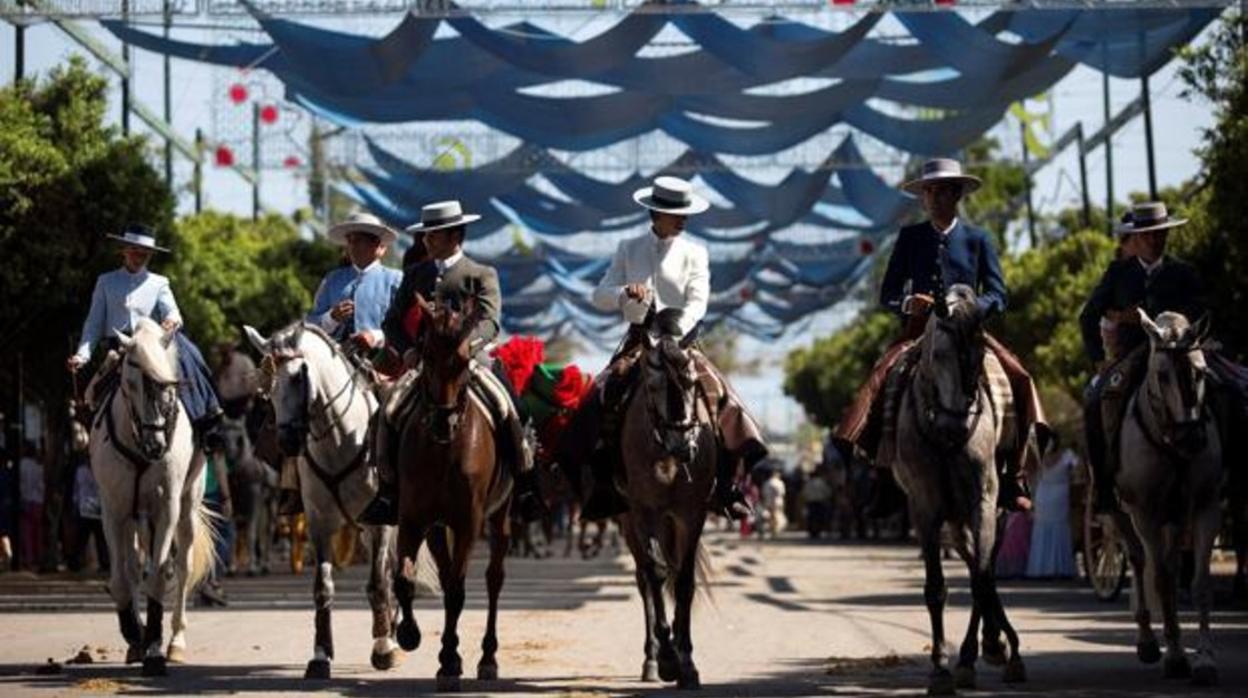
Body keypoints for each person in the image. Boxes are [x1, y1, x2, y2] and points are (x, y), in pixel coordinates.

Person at [832, 158, 1049, 511]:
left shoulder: (979, 239)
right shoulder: (909, 237)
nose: (933, 197)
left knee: (1017, 376)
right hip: (919, 331)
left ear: (957, 194)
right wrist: (907, 304)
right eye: (928, 191)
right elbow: (887, 293)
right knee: (883, 375)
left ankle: (1013, 475)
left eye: (941, 190)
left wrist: (973, 308)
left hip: (968, 331)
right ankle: (880, 469)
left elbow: (998, 293)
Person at [574, 176, 767, 521]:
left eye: (685, 213)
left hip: (682, 341)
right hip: (637, 341)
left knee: (722, 398)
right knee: (599, 396)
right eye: (676, 213)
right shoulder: (627, 248)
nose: (683, 219)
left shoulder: (696, 253)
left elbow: (699, 301)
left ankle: (726, 485)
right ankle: (601, 483)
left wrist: (675, 329)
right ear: (655, 213)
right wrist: (623, 294)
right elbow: (599, 294)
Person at [359, 200, 545, 525]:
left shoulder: (480, 273)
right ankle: (388, 491)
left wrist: (467, 348)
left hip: (471, 360)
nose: (426, 242)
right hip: (424, 364)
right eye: (426, 236)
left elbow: (490, 322)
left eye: (432, 236)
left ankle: (526, 484)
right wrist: (407, 351)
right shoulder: (416, 274)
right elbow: (391, 322)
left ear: (454, 236)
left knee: (509, 409)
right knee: (387, 411)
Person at [1079, 202, 1209, 513]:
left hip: (1178, 350)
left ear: (1167, 234)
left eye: (1159, 234)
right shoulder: (1118, 273)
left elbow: (1202, 310)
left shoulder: (1183, 272)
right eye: (1147, 235)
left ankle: (1226, 473)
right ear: (1136, 238)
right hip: (1133, 355)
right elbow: (1088, 316)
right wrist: (1098, 358)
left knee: (1224, 390)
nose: (1154, 240)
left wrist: (1175, 324)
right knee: (1095, 399)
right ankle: (1106, 486)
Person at [275, 212, 403, 516]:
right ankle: (292, 485)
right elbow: (310, 324)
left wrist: (375, 336)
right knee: (289, 405)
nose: (355, 245)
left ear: (380, 248)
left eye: (363, 240)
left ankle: (393, 484)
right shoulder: (332, 280)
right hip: (335, 362)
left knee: (397, 412)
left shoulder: (395, 281)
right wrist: (332, 317)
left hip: (382, 365)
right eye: (351, 240)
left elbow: (406, 326)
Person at [65, 224, 223, 448]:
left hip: (153, 347)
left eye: (145, 253)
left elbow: (173, 312)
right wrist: (82, 356)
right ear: (124, 250)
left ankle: (207, 417)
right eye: (135, 250)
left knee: (189, 352)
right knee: (92, 395)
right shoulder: (106, 282)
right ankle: (93, 440)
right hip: (119, 348)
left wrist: (171, 321)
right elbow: (94, 323)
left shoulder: (160, 282)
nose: (139, 256)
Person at [18, 443, 44, 572]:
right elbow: (41, 485)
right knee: (37, 531)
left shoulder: (22, 465)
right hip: (38, 500)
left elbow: (21, 483)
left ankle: (28, 558)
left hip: (26, 499)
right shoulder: (39, 466)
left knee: (26, 531)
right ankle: (37, 557)